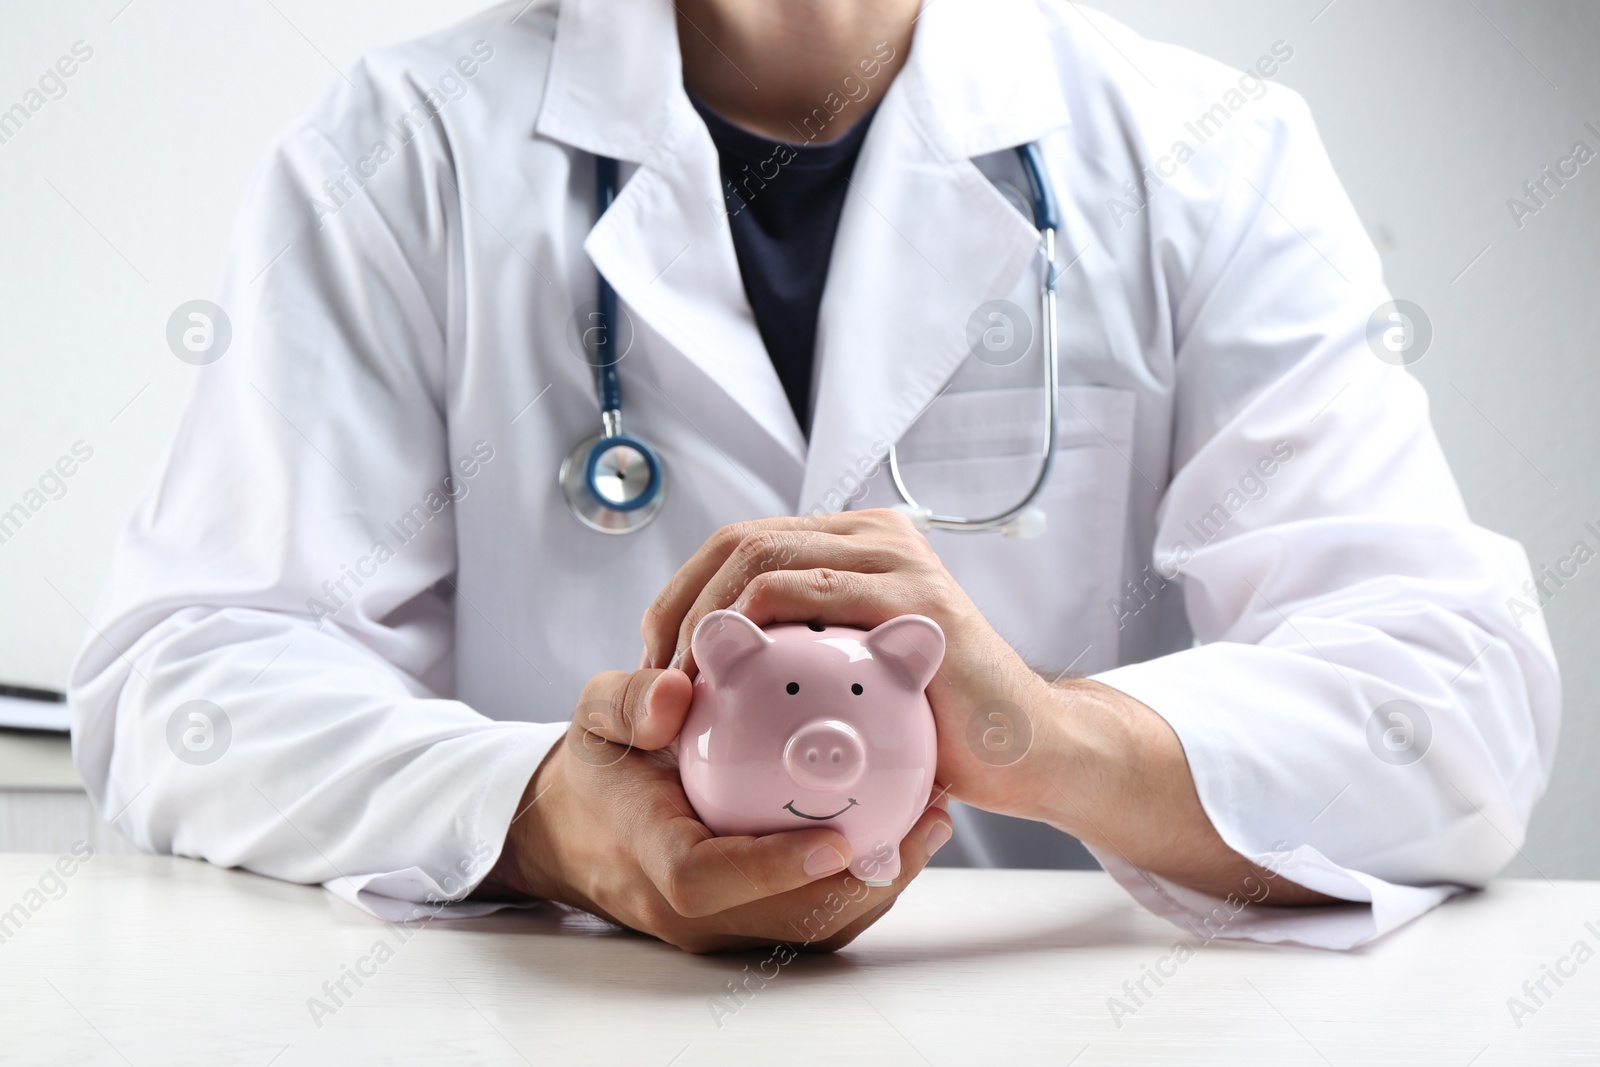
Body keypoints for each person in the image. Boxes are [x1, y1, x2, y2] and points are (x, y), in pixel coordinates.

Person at [70, 0, 1559, 954]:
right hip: (572, 1029)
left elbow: (1457, 703)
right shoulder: (406, 152)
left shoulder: (1205, 155)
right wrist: (545, 816)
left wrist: (1045, 739)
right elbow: (186, 679)